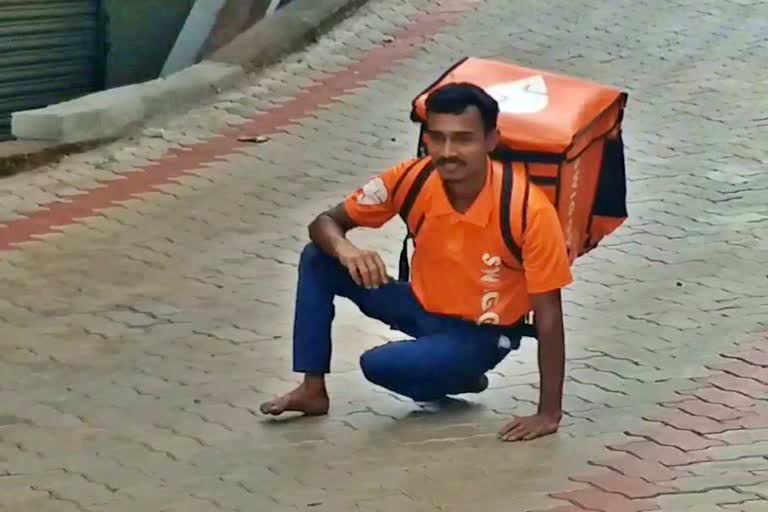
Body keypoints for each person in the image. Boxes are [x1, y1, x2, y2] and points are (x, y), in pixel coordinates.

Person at [260, 82, 573, 442]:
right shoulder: (413, 177)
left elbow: (549, 315)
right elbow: (324, 223)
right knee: (319, 257)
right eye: (436, 138)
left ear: (491, 140)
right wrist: (347, 249)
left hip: (481, 333)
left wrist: (548, 413)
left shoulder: (527, 209)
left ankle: (459, 374)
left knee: (378, 364)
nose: (447, 152)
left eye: (463, 139)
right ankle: (312, 389)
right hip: (420, 304)